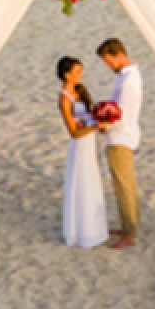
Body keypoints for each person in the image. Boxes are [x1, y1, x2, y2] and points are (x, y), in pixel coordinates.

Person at [56, 57, 111, 249]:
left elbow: (88, 117)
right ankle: (82, 231)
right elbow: (73, 132)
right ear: (67, 74)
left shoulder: (80, 91)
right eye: (77, 71)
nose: (81, 75)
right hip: (80, 144)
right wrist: (95, 125)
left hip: (90, 142)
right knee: (83, 181)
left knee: (92, 180)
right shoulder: (65, 99)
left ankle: (95, 228)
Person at [97, 38, 143, 249]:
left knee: (123, 186)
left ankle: (129, 233)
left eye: (109, 61)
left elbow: (121, 115)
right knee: (126, 184)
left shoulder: (129, 81)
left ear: (119, 55)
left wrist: (103, 125)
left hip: (121, 137)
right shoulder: (127, 77)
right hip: (123, 135)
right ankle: (128, 226)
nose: (108, 66)